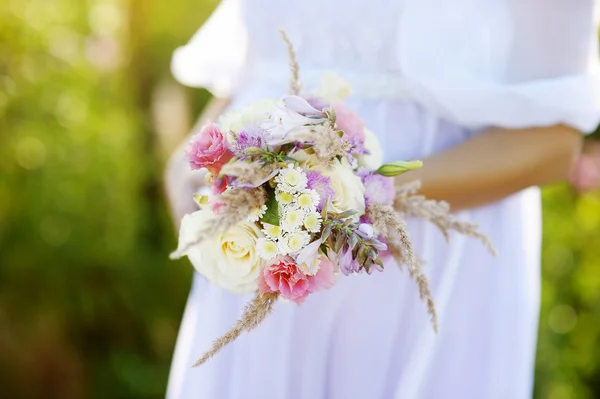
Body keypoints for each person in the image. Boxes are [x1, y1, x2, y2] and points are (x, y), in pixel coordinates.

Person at [164, 1, 600, 397]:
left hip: (419, 260)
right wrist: (189, 165)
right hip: (259, 256)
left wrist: (356, 196)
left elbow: (553, 144)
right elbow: (260, 56)